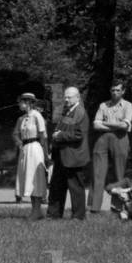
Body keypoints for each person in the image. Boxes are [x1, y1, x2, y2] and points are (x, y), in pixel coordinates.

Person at [90, 80, 132, 213]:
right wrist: (116, 125)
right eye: (113, 90)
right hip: (102, 139)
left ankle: (117, 207)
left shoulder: (128, 105)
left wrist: (106, 124)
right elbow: (96, 125)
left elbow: (125, 125)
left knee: (119, 173)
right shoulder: (103, 105)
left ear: (123, 91)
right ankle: (94, 207)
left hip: (120, 139)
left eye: (118, 90)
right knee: (97, 173)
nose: (115, 93)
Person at [47, 87, 90, 220]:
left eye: (69, 97)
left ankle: (78, 216)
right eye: (65, 97)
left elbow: (78, 135)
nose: (66, 99)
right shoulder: (66, 111)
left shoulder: (80, 112)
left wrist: (60, 136)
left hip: (74, 156)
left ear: (78, 97)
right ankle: (53, 214)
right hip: (61, 154)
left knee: (76, 188)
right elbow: (61, 128)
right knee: (56, 186)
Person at [12, 93, 49, 220]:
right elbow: (16, 133)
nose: (19, 104)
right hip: (25, 149)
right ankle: (34, 210)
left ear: (28, 103)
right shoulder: (22, 118)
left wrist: (45, 154)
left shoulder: (37, 116)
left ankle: (37, 210)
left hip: (35, 148)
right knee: (27, 178)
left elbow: (43, 136)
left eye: (21, 102)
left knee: (35, 178)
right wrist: (19, 142)